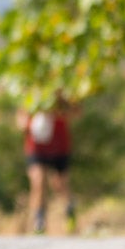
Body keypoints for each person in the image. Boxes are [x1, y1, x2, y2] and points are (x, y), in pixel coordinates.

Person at [16, 97, 76, 235]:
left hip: (59, 146)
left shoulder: (62, 92)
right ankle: (39, 221)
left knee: (60, 184)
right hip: (37, 148)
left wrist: (59, 109)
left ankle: (70, 210)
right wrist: (25, 123)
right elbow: (20, 119)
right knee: (38, 181)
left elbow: (76, 112)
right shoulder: (29, 93)